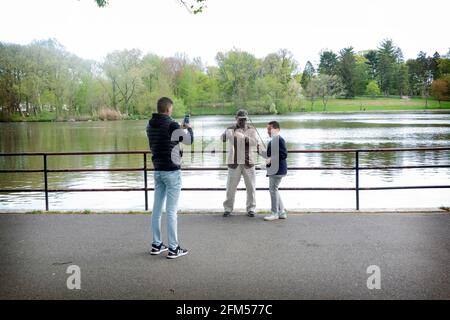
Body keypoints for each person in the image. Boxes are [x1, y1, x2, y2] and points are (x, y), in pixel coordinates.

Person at [146, 97, 193, 259]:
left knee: (157, 209)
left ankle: (156, 244)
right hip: (172, 171)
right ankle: (173, 248)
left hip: (157, 169)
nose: (171, 111)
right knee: (172, 211)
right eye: (171, 109)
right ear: (168, 109)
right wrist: (189, 128)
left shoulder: (150, 124)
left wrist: (177, 128)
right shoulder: (172, 124)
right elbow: (188, 141)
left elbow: (160, 140)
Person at [221, 109, 258, 217]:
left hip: (248, 163)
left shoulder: (252, 130)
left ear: (247, 119)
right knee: (230, 187)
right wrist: (225, 134)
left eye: (245, 119)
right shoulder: (230, 129)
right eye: (240, 119)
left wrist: (245, 138)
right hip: (234, 163)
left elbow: (255, 142)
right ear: (236, 119)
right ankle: (228, 208)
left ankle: (251, 208)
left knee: (251, 187)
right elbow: (222, 139)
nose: (243, 122)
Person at [258, 121, 288, 221]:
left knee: (273, 190)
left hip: (278, 170)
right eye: (267, 129)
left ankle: (274, 213)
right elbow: (268, 155)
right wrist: (260, 151)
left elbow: (284, 154)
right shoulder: (272, 142)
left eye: (269, 129)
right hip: (275, 170)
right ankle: (282, 212)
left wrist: (270, 160)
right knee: (275, 190)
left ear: (277, 129)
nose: (268, 131)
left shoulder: (279, 140)